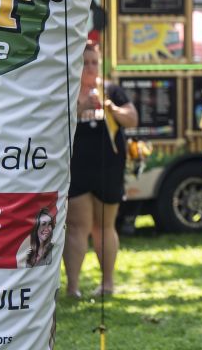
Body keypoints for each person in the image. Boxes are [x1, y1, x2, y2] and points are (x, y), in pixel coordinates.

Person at [64, 42, 139, 298]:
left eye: (94, 62)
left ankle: (107, 284)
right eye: (85, 62)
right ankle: (72, 287)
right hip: (77, 168)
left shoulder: (111, 90)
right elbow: (58, 121)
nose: (90, 67)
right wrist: (82, 106)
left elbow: (132, 118)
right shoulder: (69, 91)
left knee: (105, 226)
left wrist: (111, 108)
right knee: (77, 227)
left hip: (109, 168)